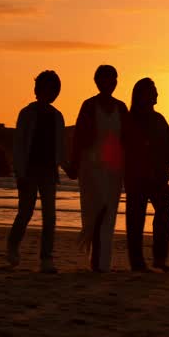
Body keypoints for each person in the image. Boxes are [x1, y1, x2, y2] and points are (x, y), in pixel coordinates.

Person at [7, 70, 67, 273]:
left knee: (49, 216)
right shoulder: (27, 114)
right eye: (46, 88)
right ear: (37, 90)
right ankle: (13, 246)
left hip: (49, 172)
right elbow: (19, 145)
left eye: (53, 90)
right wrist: (19, 172)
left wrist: (66, 166)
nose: (49, 93)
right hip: (29, 171)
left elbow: (60, 146)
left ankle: (46, 258)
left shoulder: (57, 116)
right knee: (25, 212)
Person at [70, 65, 127, 272]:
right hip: (92, 166)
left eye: (114, 78)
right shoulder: (89, 105)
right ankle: (98, 260)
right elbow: (78, 137)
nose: (111, 82)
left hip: (114, 168)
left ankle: (102, 261)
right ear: (98, 81)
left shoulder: (121, 107)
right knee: (96, 210)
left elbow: (127, 140)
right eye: (106, 78)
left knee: (109, 213)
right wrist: (74, 163)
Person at [123, 78, 169, 272]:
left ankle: (159, 258)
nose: (157, 94)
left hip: (159, 176)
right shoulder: (131, 119)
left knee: (165, 213)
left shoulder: (159, 119)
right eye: (153, 91)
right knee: (136, 218)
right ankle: (137, 261)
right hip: (137, 176)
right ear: (143, 94)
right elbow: (125, 147)